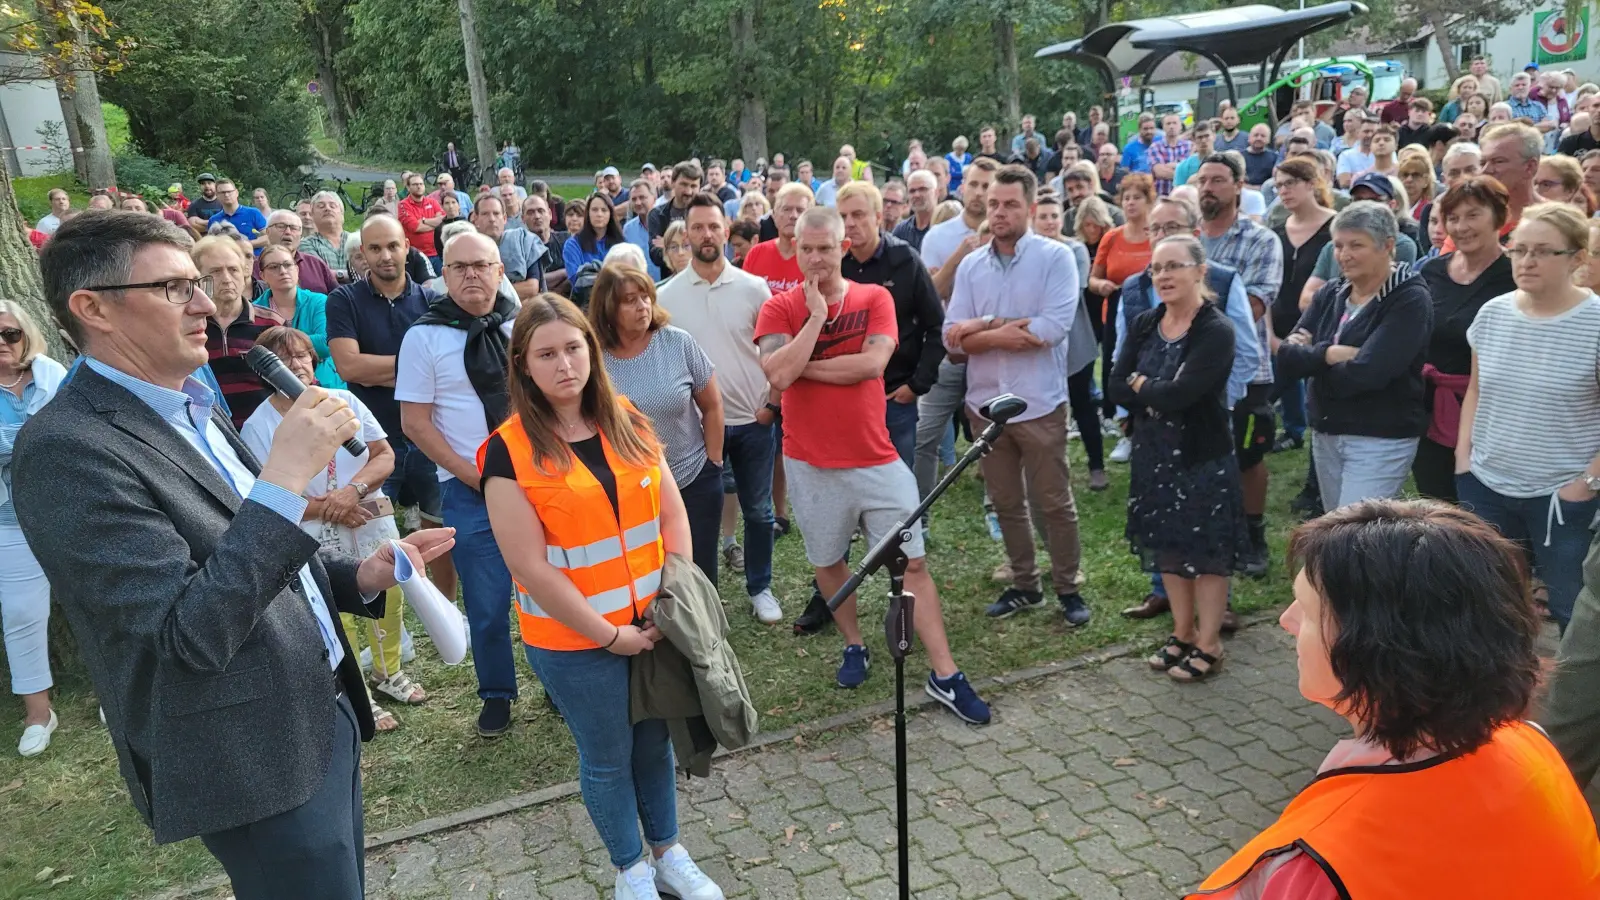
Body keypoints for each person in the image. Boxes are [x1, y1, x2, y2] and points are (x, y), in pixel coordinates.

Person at [19, 210, 456, 898]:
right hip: (250, 750)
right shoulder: (66, 451)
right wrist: (284, 477)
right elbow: (184, 635)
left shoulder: (191, 398)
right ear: (92, 308)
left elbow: (236, 546)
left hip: (320, 704)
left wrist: (353, 578)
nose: (206, 302)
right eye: (173, 288)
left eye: (201, 281)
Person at [1187, 500, 1600, 899]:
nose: (1286, 621)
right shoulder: (1530, 745)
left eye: (1309, 611)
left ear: (1380, 649)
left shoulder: (1319, 863)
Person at [478, 294, 725, 900]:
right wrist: (609, 634)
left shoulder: (629, 418)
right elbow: (530, 567)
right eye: (546, 354)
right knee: (609, 756)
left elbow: (673, 515)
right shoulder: (507, 450)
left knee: (654, 742)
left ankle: (669, 855)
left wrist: (672, 602)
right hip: (575, 641)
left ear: (591, 348)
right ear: (523, 365)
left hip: (652, 625)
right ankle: (630, 870)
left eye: (573, 347)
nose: (564, 364)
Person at [756, 205, 992, 723]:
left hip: (876, 459)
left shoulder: (875, 297)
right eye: (806, 247)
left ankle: (945, 674)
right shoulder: (778, 309)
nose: (815, 258)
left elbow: (871, 364)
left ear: (843, 247)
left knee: (914, 564)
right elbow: (775, 372)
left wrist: (801, 369)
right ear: (794, 248)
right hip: (810, 463)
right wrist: (815, 317)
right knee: (827, 561)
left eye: (825, 247)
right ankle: (854, 644)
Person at [241, 326, 423, 733]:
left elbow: (384, 455)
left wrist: (352, 493)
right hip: (311, 526)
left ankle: (388, 673)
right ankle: (362, 694)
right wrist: (330, 507)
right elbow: (261, 492)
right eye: (284, 360)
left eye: (303, 356)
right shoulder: (259, 425)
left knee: (388, 597)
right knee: (339, 606)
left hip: (367, 513)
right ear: (267, 371)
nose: (297, 365)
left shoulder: (344, 400)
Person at [942, 165, 1091, 626]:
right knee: (1005, 502)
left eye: (1009, 204)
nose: (1000, 212)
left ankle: (1068, 586)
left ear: (1028, 207)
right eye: (993, 204)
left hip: (1038, 402)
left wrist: (980, 329)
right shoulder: (970, 265)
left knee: (1054, 501)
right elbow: (952, 338)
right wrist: (999, 328)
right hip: (985, 404)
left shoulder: (1054, 258)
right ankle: (1026, 584)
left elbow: (1051, 328)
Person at [396, 231, 524, 737]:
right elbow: (415, 423)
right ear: (443, 276)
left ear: (499, 270)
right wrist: (478, 476)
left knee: (551, 587)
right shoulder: (424, 336)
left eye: (482, 265)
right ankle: (497, 693)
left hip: (538, 481)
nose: (472, 274)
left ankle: (561, 680)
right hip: (469, 488)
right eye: (460, 267)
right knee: (487, 600)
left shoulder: (524, 325)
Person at [1455, 203, 1600, 631]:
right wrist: (1464, 461)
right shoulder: (1492, 313)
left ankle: (1576, 696)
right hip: (1485, 484)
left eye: (1541, 251)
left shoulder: (1595, 324)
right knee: (1487, 604)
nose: (1526, 261)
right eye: (1518, 250)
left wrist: (1587, 483)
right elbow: (1476, 390)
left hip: (1561, 497)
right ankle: (1500, 691)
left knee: (1572, 608)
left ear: (1577, 258)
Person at [1111, 236, 1245, 682]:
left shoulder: (1215, 329)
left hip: (1200, 457)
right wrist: (1148, 389)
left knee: (1205, 552)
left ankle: (1210, 642)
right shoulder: (1147, 321)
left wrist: (1142, 387)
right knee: (1168, 545)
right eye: (1156, 269)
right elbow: (1113, 382)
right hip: (1153, 456)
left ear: (1200, 271)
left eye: (1174, 266)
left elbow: (1184, 394)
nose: (1163, 276)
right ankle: (1182, 632)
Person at [658, 193, 781, 624]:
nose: (706, 235)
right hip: (695, 428)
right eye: (697, 227)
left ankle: (760, 586)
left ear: (726, 231)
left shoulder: (754, 288)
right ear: (685, 234)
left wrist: (772, 404)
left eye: (714, 226)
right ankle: (704, 596)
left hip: (753, 419)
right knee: (700, 515)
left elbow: (774, 353)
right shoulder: (667, 296)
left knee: (759, 509)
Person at [326, 215, 459, 609]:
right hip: (373, 439)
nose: (385, 256)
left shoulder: (433, 302)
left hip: (429, 435)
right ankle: (387, 630)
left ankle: (445, 607)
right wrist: (417, 372)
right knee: (372, 533)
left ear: (407, 247)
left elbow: (445, 371)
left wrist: (381, 371)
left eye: (393, 246)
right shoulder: (344, 300)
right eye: (375, 248)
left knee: (437, 526)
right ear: (361, 254)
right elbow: (349, 367)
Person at [1277, 202, 1432, 509]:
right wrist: (1330, 353)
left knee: (1358, 532)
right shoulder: (1331, 292)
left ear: (1388, 246)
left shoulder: (1409, 299)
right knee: (1338, 528)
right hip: (1327, 430)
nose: (1344, 255)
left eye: (1356, 245)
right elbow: (1286, 357)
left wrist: (1312, 359)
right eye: (1338, 245)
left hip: (1379, 436)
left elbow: (1369, 373)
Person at [588, 261, 725, 587]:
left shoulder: (677, 343)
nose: (642, 306)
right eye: (630, 300)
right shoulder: (594, 358)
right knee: (644, 578)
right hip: (628, 491)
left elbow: (713, 404)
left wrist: (714, 462)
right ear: (609, 307)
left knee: (698, 574)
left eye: (646, 296)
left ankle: (702, 636)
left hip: (693, 479)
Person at [1196, 153, 1282, 577]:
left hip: (1247, 369)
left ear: (1239, 186)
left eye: (1217, 180)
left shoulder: (1260, 240)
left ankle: (1252, 533)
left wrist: (1190, 325)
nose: (1208, 188)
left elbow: (1252, 306)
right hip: (1190, 370)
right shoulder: (1187, 239)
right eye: (1202, 180)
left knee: (1248, 455)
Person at [1412, 177, 1515, 502]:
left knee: (1481, 511)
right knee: (1437, 503)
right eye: (1453, 218)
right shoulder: (1432, 271)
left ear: (1499, 218)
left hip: (1491, 413)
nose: (1461, 226)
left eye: (1473, 215)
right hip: (1429, 409)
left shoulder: (1515, 277)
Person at [838, 180, 945, 468]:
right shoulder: (835, 262)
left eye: (858, 215)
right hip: (843, 394)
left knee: (898, 484)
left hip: (893, 395)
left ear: (877, 217)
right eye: (843, 216)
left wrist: (917, 385)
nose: (850, 223)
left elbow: (936, 326)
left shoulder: (905, 260)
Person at [912, 157, 999, 501]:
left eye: (987, 186)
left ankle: (999, 509)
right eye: (974, 184)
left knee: (998, 433)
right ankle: (918, 518)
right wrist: (959, 257)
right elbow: (931, 295)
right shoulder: (940, 236)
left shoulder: (1010, 234)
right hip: (945, 350)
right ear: (962, 187)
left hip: (994, 348)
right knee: (923, 435)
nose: (979, 193)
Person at [0, 301, 64, 756]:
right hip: (9, 518)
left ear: (25, 335)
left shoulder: (52, 375)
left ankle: (114, 693)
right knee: (22, 614)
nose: (3, 346)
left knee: (96, 601)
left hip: (69, 509)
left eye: (9, 334)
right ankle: (38, 713)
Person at [1032, 193, 1105, 489]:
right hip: (1037, 343)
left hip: (1075, 341)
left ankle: (1097, 466)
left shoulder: (1075, 251)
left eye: (1054, 216)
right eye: (1043, 217)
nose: (1049, 222)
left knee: (1083, 403)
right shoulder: (1026, 252)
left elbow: (1070, 294)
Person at [1271, 157, 1336, 454]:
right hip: (1281, 314)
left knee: (1319, 387)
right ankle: (1294, 430)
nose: (1283, 191)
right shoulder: (1276, 228)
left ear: (1311, 184)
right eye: (1278, 186)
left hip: (1323, 321)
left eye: (1290, 183)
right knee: (1281, 379)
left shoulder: (1335, 226)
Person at [1089, 173, 1155, 457]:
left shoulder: (1158, 234)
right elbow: (1093, 278)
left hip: (1154, 313)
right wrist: (1101, 285)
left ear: (1148, 200)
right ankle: (1126, 430)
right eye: (1126, 198)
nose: (1130, 203)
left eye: (1136, 197)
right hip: (1117, 311)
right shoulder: (1112, 237)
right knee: (1119, 368)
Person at [193, 234, 283, 428]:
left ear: (245, 274)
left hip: (266, 432)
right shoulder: (190, 326)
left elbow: (296, 378)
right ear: (199, 278)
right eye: (216, 271)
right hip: (210, 432)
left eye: (233, 270)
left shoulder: (272, 323)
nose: (227, 279)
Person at [254, 245, 342, 389]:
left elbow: (326, 344)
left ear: (297, 269)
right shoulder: (255, 309)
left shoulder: (319, 301)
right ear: (262, 275)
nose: (282, 271)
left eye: (287, 265)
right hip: (276, 385)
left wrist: (279, 348)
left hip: (324, 382)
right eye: (273, 267)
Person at [742, 182, 812, 295]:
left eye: (800, 210)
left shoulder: (816, 259)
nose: (793, 216)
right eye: (786, 209)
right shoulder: (756, 254)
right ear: (774, 215)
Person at [476, 195, 546, 299]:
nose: (491, 219)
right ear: (476, 220)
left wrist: (488, 292)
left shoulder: (523, 241)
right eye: (485, 214)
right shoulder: (468, 250)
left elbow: (531, 288)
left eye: (496, 213)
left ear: (504, 219)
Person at [646, 161, 702, 273]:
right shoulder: (657, 214)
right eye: (684, 185)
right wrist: (692, 244)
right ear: (673, 183)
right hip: (670, 279)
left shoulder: (705, 214)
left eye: (693, 186)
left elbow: (709, 249)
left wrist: (669, 244)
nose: (689, 191)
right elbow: (655, 256)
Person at [564, 193, 624, 275]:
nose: (599, 214)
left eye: (604, 210)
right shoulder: (573, 244)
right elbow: (576, 278)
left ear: (610, 214)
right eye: (594, 210)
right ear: (587, 213)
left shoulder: (621, 243)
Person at [398, 173, 445, 272]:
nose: (419, 186)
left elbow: (442, 220)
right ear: (408, 187)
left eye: (421, 184)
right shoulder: (403, 205)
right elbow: (416, 227)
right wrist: (434, 224)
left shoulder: (432, 202)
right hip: (417, 256)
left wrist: (424, 221)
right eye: (415, 184)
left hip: (437, 254)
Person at [301, 191, 352, 279]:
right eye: (321, 206)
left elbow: (367, 272)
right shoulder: (306, 244)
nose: (327, 209)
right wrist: (352, 275)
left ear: (342, 213)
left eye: (332, 206)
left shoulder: (357, 240)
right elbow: (319, 274)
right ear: (312, 215)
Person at [206, 178, 268, 249]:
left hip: (252, 258)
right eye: (222, 192)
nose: (226, 195)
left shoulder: (253, 213)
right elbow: (210, 245)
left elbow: (267, 237)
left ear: (236, 193)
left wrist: (245, 245)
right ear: (217, 195)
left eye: (229, 191)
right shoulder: (214, 220)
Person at [1147, 114, 1193, 196]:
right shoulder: (1155, 147)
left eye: (1175, 123)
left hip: (1184, 196)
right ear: (1163, 127)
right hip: (1162, 196)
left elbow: (1192, 171)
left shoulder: (1190, 146)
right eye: (1168, 123)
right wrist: (1183, 170)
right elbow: (1160, 172)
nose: (1171, 126)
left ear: (1180, 126)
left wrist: (1172, 166)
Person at [892, 170, 937, 251]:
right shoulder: (901, 231)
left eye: (923, 189)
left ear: (936, 192)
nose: (917, 195)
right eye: (912, 191)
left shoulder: (944, 227)